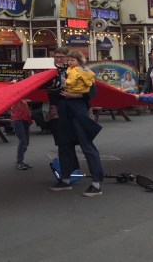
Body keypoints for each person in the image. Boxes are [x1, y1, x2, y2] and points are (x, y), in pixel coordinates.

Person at [50, 51, 104, 197]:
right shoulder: (55, 73)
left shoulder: (84, 72)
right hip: (63, 113)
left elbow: (92, 92)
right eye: (58, 58)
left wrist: (74, 95)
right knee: (64, 145)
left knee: (87, 146)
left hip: (78, 112)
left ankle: (96, 183)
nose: (63, 60)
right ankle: (65, 179)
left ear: (79, 60)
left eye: (65, 58)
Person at [9, 98, 32, 170]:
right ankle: (19, 162)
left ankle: (20, 161)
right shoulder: (14, 97)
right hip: (17, 119)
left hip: (25, 119)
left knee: (26, 142)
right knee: (23, 142)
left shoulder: (24, 98)